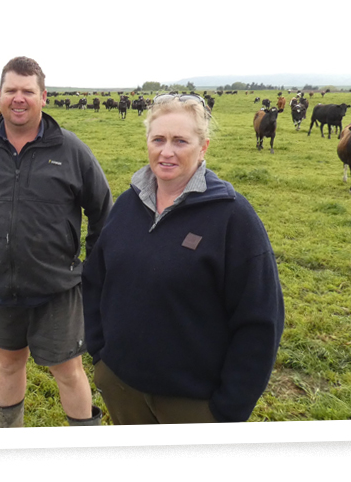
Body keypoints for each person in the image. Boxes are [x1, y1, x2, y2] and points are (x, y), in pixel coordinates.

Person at [82, 93, 285, 424]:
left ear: (203, 147)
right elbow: (95, 280)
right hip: (121, 387)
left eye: (180, 141)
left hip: (193, 403)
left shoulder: (232, 218)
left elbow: (261, 321)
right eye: (158, 139)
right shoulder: (126, 206)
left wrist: (227, 409)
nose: (166, 151)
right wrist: (101, 358)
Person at [0, 56, 113, 427]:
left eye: (27, 91)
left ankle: (88, 452)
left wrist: (92, 269)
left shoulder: (71, 150)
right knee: (8, 364)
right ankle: (11, 444)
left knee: (68, 371)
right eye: (10, 91)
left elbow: (103, 211)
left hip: (56, 289)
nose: (18, 98)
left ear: (43, 96)